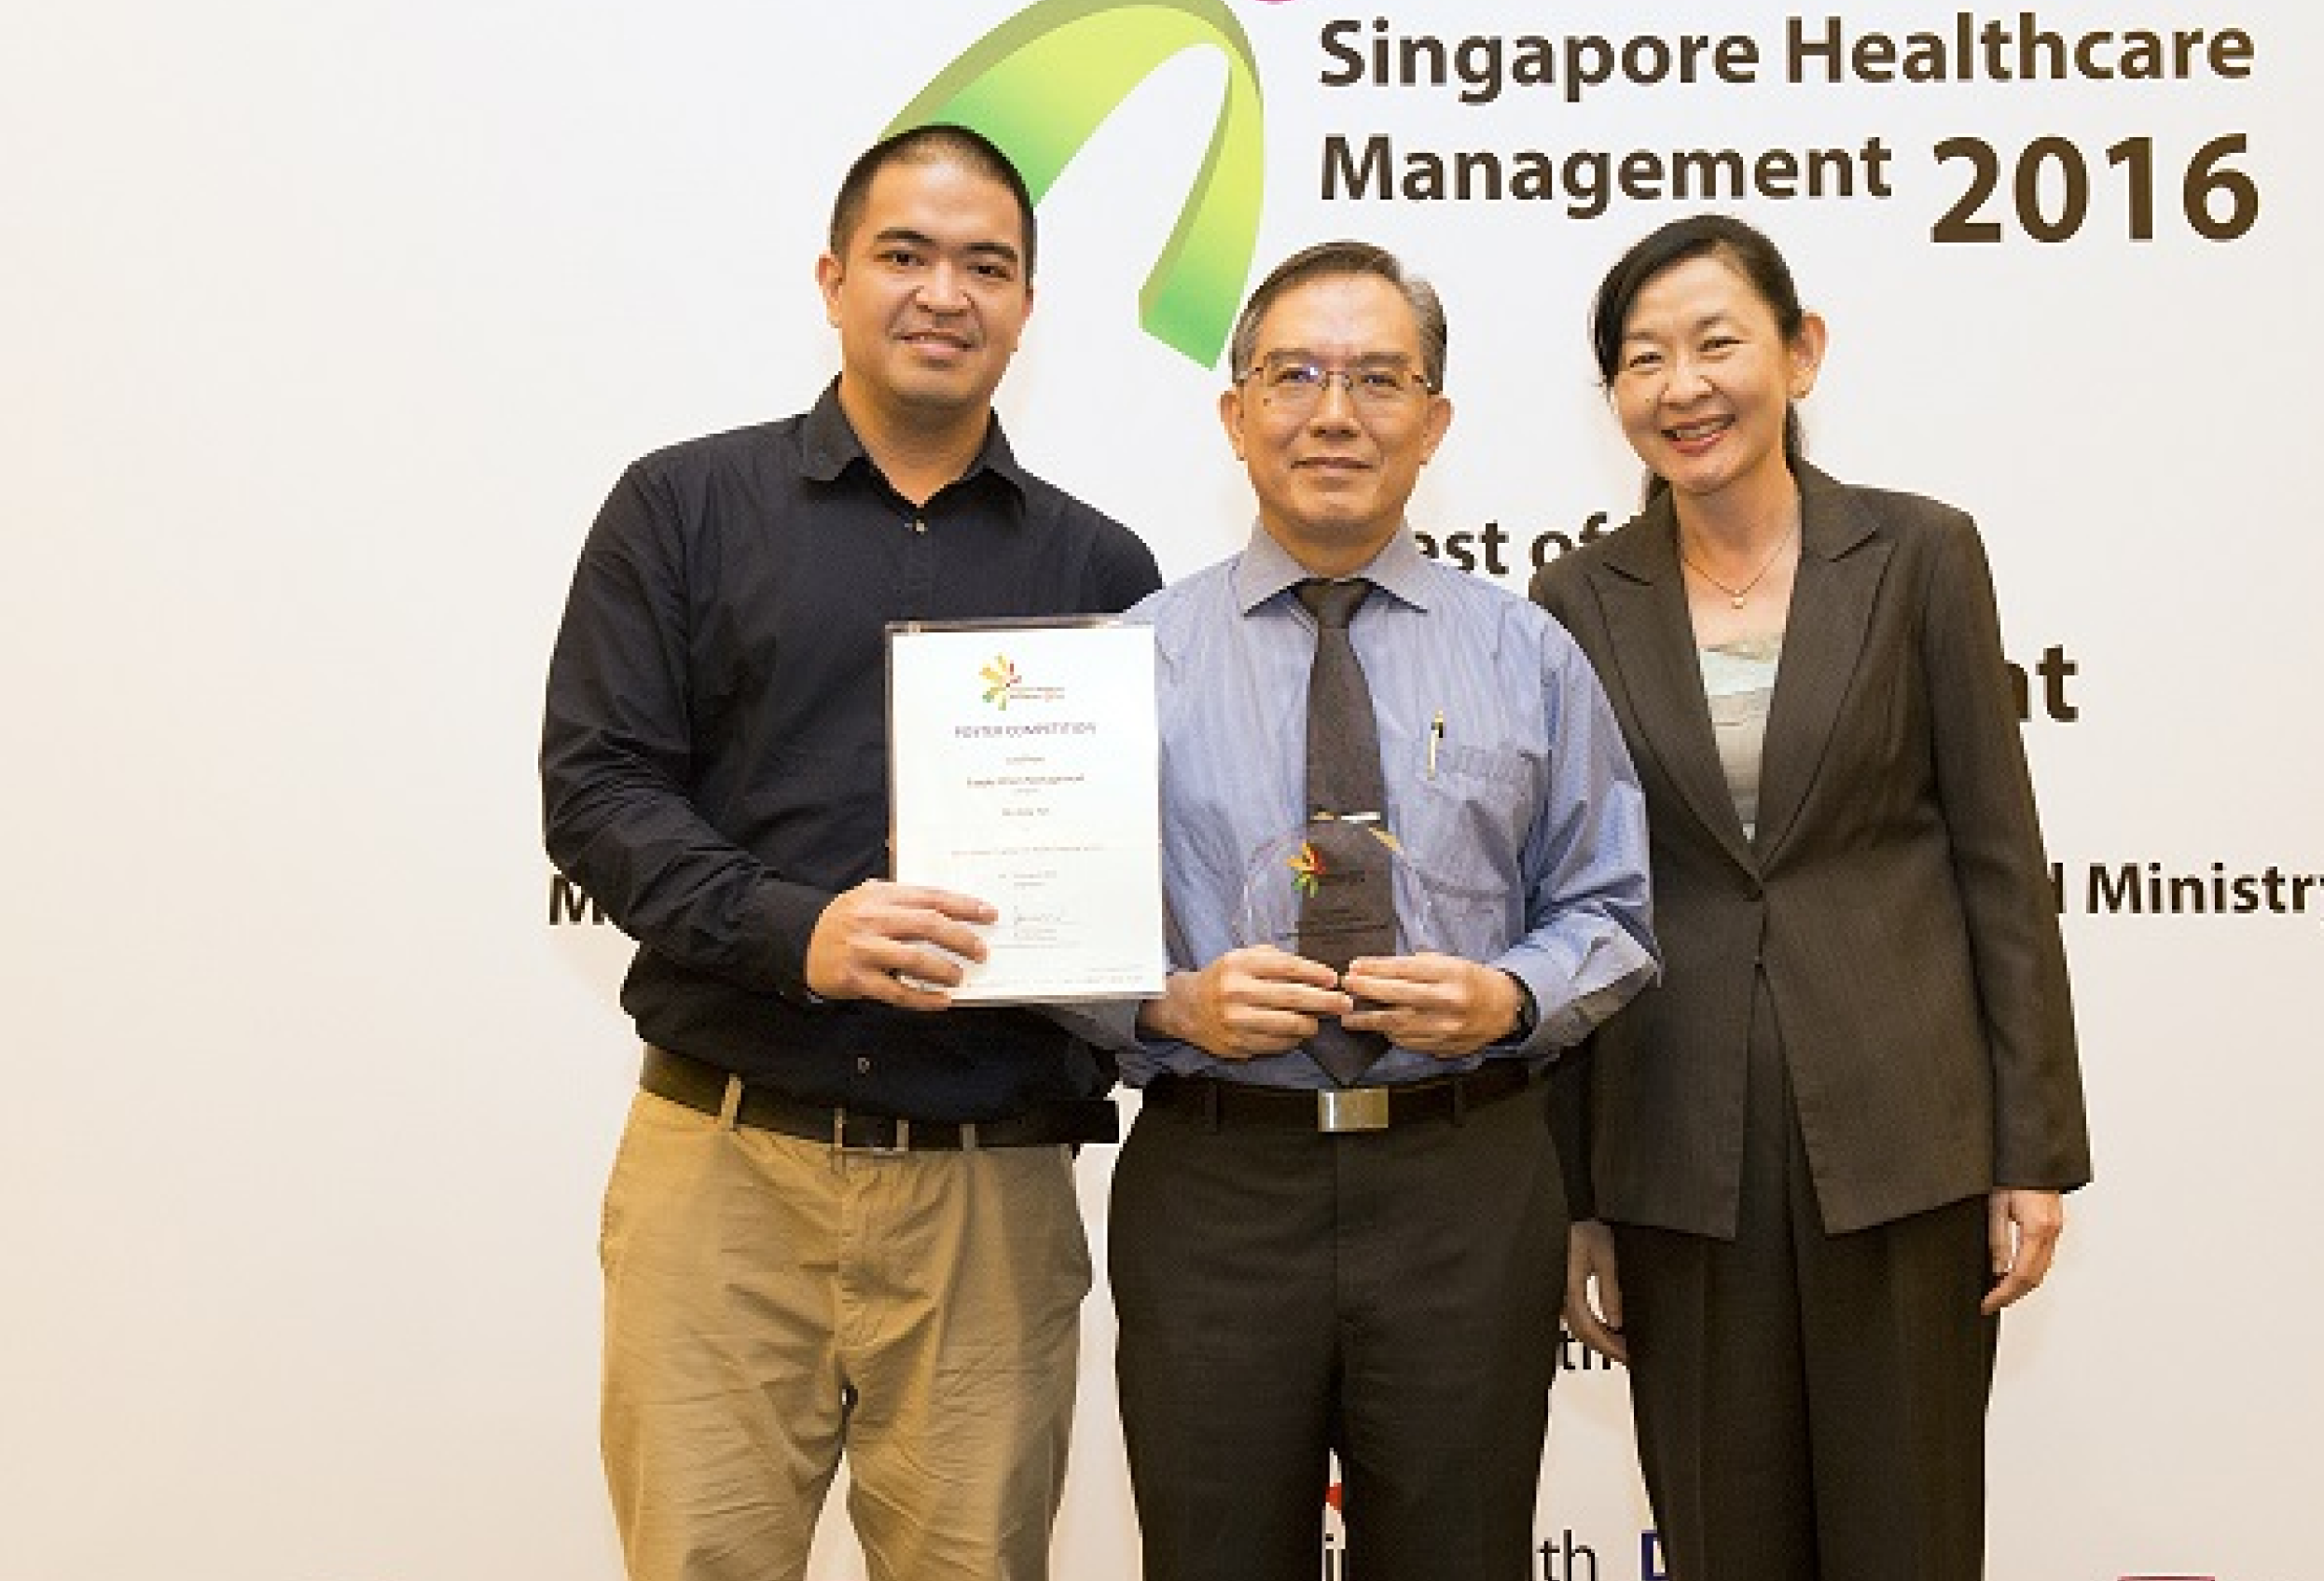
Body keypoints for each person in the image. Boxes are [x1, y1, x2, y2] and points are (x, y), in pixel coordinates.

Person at [539, 124, 1160, 1581]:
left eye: (985, 265)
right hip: (725, 1170)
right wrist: (794, 929)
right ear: (833, 279)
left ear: (1026, 305)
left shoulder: (1101, 571)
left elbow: (1138, 865)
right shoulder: (682, 508)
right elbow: (598, 789)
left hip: (987, 1199)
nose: (944, 292)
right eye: (904, 254)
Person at [1527, 214, 2093, 1581]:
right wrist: (1576, 1193)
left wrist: (2031, 1147)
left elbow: (1999, 859)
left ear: (1800, 352)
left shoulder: (1919, 554)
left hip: (1907, 1137)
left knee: (1910, 1534)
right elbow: (1563, 900)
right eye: (1643, 358)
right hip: (1678, 1152)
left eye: (1716, 343)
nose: (1683, 386)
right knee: (1724, 1537)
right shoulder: (1573, 599)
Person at [1106, 240, 1658, 1581]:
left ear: (1435, 420)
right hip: (1217, 1186)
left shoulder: (1527, 651)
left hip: (1462, 1184)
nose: (1333, 412)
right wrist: (1167, 1005)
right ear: (1235, 413)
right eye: (1294, 375)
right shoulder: (1132, 658)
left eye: (1376, 378)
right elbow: (1054, 931)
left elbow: (1610, 907)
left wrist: (1509, 997)